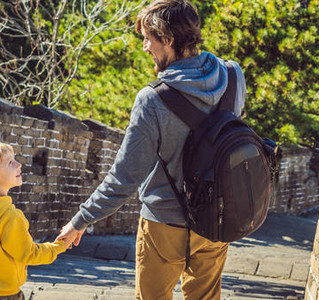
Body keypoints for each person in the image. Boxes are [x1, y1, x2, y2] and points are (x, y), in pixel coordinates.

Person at [56, 0, 247, 299]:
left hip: (163, 224)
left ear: (168, 39)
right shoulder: (233, 77)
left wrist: (80, 220)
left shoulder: (152, 100)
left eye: (148, 38)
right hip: (215, 219)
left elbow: (125, 177)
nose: (145, 47)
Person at [0, 142, 73, 300]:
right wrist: (60, 246)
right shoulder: (9, 216)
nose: (19, 164)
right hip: (4, 295)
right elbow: (29, 254)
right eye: (10, 162)